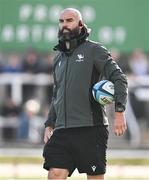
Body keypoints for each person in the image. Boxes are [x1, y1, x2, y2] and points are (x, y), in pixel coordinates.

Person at [43, 8, 128, 180]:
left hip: (91, 129)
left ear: (80, 24)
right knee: (55, 174)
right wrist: (50, 123)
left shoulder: (95, 50)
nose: (65, 25)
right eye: (61, 21)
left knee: (94, 177)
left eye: (69, 20)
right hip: (62, 130)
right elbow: (56, 94)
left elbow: (119, 78)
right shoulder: (58, 58)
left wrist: (119, 111)